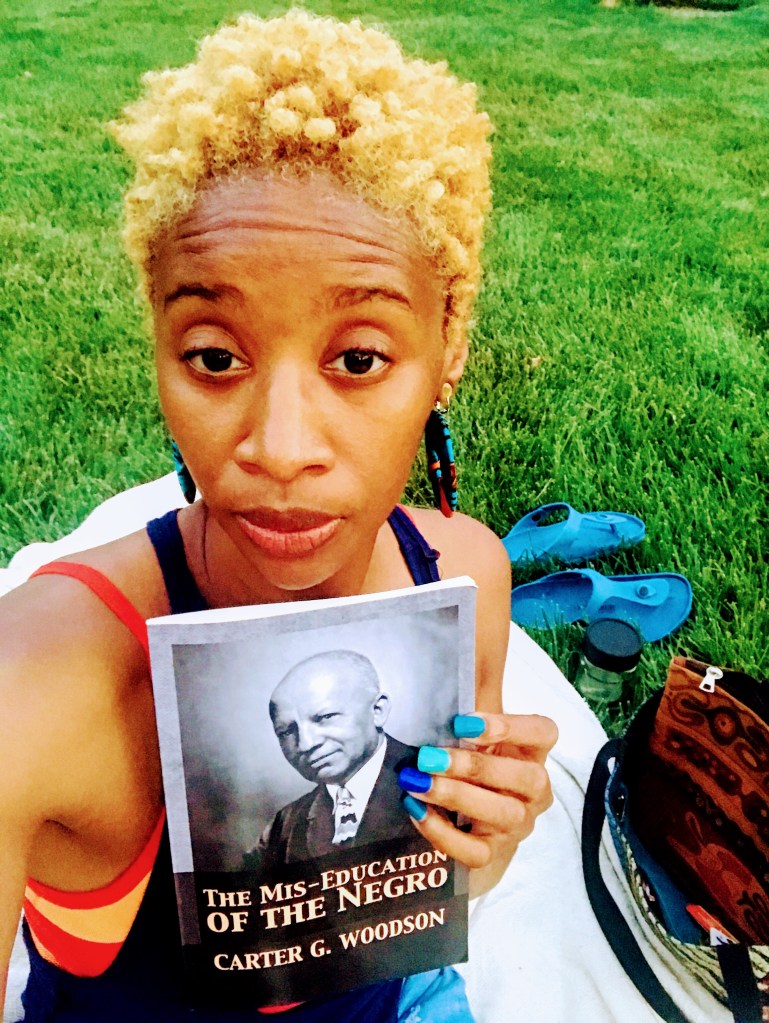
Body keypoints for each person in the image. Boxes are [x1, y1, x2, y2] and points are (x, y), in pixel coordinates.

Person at [0, 10, 557, 1022]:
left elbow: (444, 890)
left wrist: (478, 853)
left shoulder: (463, 578)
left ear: (448, 348)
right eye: (215, 356)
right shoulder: (37, 686)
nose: (279, 446)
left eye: (358, 358)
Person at [251, 650, 418, 866]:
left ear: (377, 710)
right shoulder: (284, 827)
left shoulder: (440, 781)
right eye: (287, 731)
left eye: (325, 717)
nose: (306, 744)